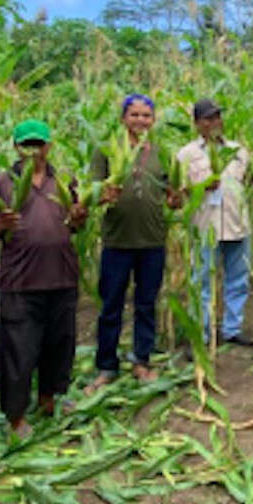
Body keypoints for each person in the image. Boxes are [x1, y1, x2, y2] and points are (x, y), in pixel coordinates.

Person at [0, 120, 88, 439]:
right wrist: (1, 225)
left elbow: (75, 224)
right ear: (15, 148)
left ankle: (48, 398)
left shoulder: (65, 180)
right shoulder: (2, 181)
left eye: (38, 144)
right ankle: (15, 416)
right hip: (20, 281)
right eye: (25, 145)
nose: (32, 151)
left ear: (48, 147)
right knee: (19, 348)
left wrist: (80, 217)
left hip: (62, 276)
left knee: (59, 344)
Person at [88, 94, 182, 391]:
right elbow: (93, 193)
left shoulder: (162, 153)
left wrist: (177, 198)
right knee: (111, 305)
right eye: (135, 115)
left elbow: (173, 195)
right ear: (123, 118)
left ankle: (142, 360)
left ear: (153, 121)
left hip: (152, 239)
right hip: (117, 241)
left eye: (146, 116)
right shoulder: (106, 151)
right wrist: (105, 194)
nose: (140, 121)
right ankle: (106, 365)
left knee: (146, 304)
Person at [176, 98, 253, 346]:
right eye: (208, 118)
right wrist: (199, 187)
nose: (214, 122)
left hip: (237, 224)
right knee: (202, 281)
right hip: (204, 227)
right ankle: (204, 333)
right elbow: (177, 193)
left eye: (217, 116)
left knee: (238, 280)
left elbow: (251, 183)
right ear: (197, 123)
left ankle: (232, 328)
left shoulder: (238, 150)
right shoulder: (186, 154)